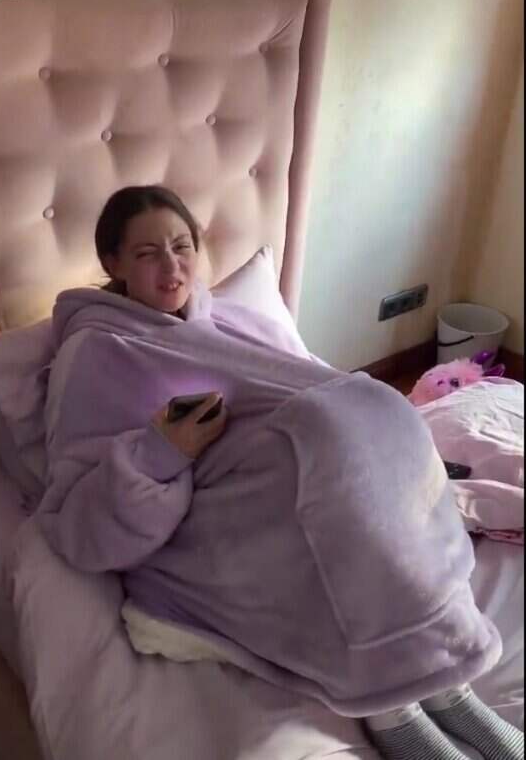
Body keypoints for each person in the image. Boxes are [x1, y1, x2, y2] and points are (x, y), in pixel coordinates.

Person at [37, 185, 523, 760]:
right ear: (112, 262)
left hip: (297, 467)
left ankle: (447, 684)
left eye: (182, 246)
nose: (171, 267)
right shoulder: (97, 354)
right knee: (327, 477)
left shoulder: (228, 320)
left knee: (378, 411)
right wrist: (160, 451)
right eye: (147, 254)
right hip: (216, 509)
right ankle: (391, 707)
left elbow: (302, 381)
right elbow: (78, 514)